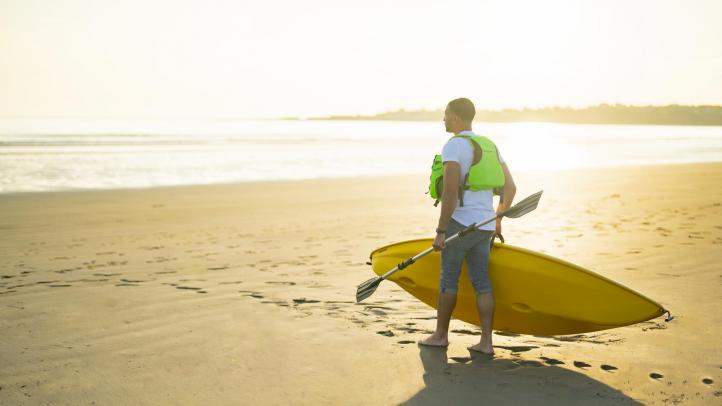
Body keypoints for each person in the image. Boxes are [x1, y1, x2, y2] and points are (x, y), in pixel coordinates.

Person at [419, 98, 516, 355]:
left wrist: (441, 232)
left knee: (448, 279)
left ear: (457, 118)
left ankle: (440, 336)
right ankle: (486, 342)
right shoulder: (490, 145)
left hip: (460, 224)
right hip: (484, 225)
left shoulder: (455, 146)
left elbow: (450, 192)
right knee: (481, 281)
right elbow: (510, 188)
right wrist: (497, 218)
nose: (443, 118)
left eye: (446, 114)